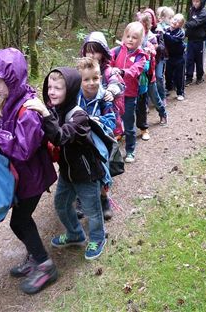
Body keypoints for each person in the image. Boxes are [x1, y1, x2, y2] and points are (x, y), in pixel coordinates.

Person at [0, 48, 58, 295]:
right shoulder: (7, 102)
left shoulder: (28, 109)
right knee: (19, 222)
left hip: (32, 176)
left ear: (12, 80)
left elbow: (23, 148)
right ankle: (35, 257)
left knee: (20, 221)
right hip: (20, 177)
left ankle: (44, 264)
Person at [24, 68, 108, 260]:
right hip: (68, 173)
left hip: (86, 174)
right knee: (61, 204)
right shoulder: (55, 110)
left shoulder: (78, 117)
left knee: (91, 210)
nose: (52, 92)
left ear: (69, 90)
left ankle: (98, 237)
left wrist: (45, 114)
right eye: (50, 87)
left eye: (58, 88)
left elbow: (60, 137)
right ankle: (75, 234)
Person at [76, 56, 116, 220]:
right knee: (79, 167)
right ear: (80, 81)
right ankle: (80, 199)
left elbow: (112, 121)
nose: (91, 83)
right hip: (79, 140)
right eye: (86, 79)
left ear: (100, 77)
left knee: (100, 169)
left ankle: (104, 198)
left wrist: (96, 121)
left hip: (99, 139)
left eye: (95, 78)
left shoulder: (103, 97)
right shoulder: (75, 96)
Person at [110, 22, 147, 163]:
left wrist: (121, 72)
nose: (130, 39)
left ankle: (130, 150)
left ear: (141, 40)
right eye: (128, 36)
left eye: (135, 37)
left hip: (129, 95)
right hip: (113, 93)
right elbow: (107, 60)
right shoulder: (117, 51)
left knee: (129, 124)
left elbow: (135, 71)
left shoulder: (141, 56)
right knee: (112, 120)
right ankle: (111, 150)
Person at [80, 31, 125, 139]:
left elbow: (118, 83)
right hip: (86, 111)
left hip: (105, 113)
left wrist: (111, 91)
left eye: (96, 52)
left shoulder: (108, 71)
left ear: (103, 52)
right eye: (89, 51)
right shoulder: (81, 70)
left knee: (106, 139)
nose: (92, 55)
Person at [135, 9, 168, 140]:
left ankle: (163, 113)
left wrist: (149, 50)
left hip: (149, 75)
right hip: (137, 76)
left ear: (147, 25)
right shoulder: (134, 37)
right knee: (138, 100)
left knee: (154, 97)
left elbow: (154, 50)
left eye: (141, 24)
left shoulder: (151, 37)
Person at [184, 0, 206, 85]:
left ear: (202, 1)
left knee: (198, 59)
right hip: (191, 40)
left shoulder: (203, 13)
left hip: (199, 40)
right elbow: (190, 21)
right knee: (189, 59)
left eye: (197, 1)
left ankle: (199, 76)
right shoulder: (191, 10)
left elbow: (195, 23)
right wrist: (185, 34)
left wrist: (184, 24)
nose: (195, 3)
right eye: (194, 1)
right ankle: (189, 77)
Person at [164, 13, 187, 101]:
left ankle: (180, 92)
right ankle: (168, 87)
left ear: (181, 25)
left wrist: (164, 34)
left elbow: (172, 40)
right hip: (169, 57)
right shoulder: (166, 29)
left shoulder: (181, 32)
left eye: (178, 22)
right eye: (174, 19)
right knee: (168, 73)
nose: (175, 22)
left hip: (179, 57)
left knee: (179, 75)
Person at [155, 6, 175, 102]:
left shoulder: (170, 29)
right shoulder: (157, 27)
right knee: (155, 76)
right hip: (155, 55)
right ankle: (155, 95)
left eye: (172, 18)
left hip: (163, 56)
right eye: (169, 18)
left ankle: (162, 96)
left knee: (159, 76)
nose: (171, 20)